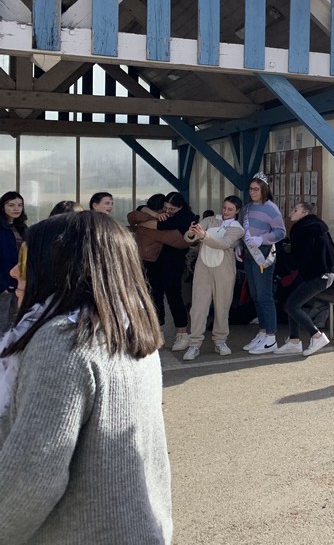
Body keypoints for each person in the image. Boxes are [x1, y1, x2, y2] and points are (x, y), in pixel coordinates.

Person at [0, 211, 172, 543]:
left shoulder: (63, 340)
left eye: (25, 260)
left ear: (62, 267)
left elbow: (32, 477)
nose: (14, 272)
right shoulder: (128, 329)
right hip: (138, 528)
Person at [181, 196, 245, 361]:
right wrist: (191, 233)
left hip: (225, 271)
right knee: (198, 308)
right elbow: (189, 237)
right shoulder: (210, 220)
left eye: (230, 209)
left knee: (222, 307)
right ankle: (194, 344)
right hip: (203, 269)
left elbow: (223, 243)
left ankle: (220, 341)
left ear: (237, 211)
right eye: (224, 208)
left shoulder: (238, 229)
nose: (226, 211)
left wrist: (203, 235)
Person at [131, 192, 195, 350]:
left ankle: (182, 333)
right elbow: (140, 209)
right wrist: (154, 214)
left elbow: (158, 226)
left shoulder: (186, 217)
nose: (168, 211)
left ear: (180, 207)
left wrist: (146, 222)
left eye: (172, 209)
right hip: (154, 260)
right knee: (155, 295)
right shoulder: (161, 213)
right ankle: (158, 333)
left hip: (174, 261)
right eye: (165, 207)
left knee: (174, 296)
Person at [276, 202, 334, 357]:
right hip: (322, 273)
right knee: (291, 301)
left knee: (292, 306)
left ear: (305, 213)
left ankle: (317, 336)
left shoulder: (304, 230)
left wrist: (283, 253)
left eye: (295, 210)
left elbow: (299, 258)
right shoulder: (318, 226)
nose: (291, 213)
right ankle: (294, 341)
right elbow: (333, 251)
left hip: (318, 275)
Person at [241, 173, 287, 355]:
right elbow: (242, 231)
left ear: (264, 190)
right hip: (248, 253)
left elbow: (281, 232)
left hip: (263, 253)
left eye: (256, 189)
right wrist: (239, 245)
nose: (252, 192)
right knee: (255, 295)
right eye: (251, 189)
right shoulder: (247, 208)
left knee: (264, 295)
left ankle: (271, 337)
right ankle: (262, 332)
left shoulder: (271, 208)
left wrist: (262, 239)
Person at [0, 191, 27, 334]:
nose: (16, 208)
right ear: (2, 207)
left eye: (19, 205)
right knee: (2, 323)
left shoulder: (21, 227)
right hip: (3, 282)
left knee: (15, 321)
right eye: (11, 205)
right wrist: (3, 284)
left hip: (18, 283)